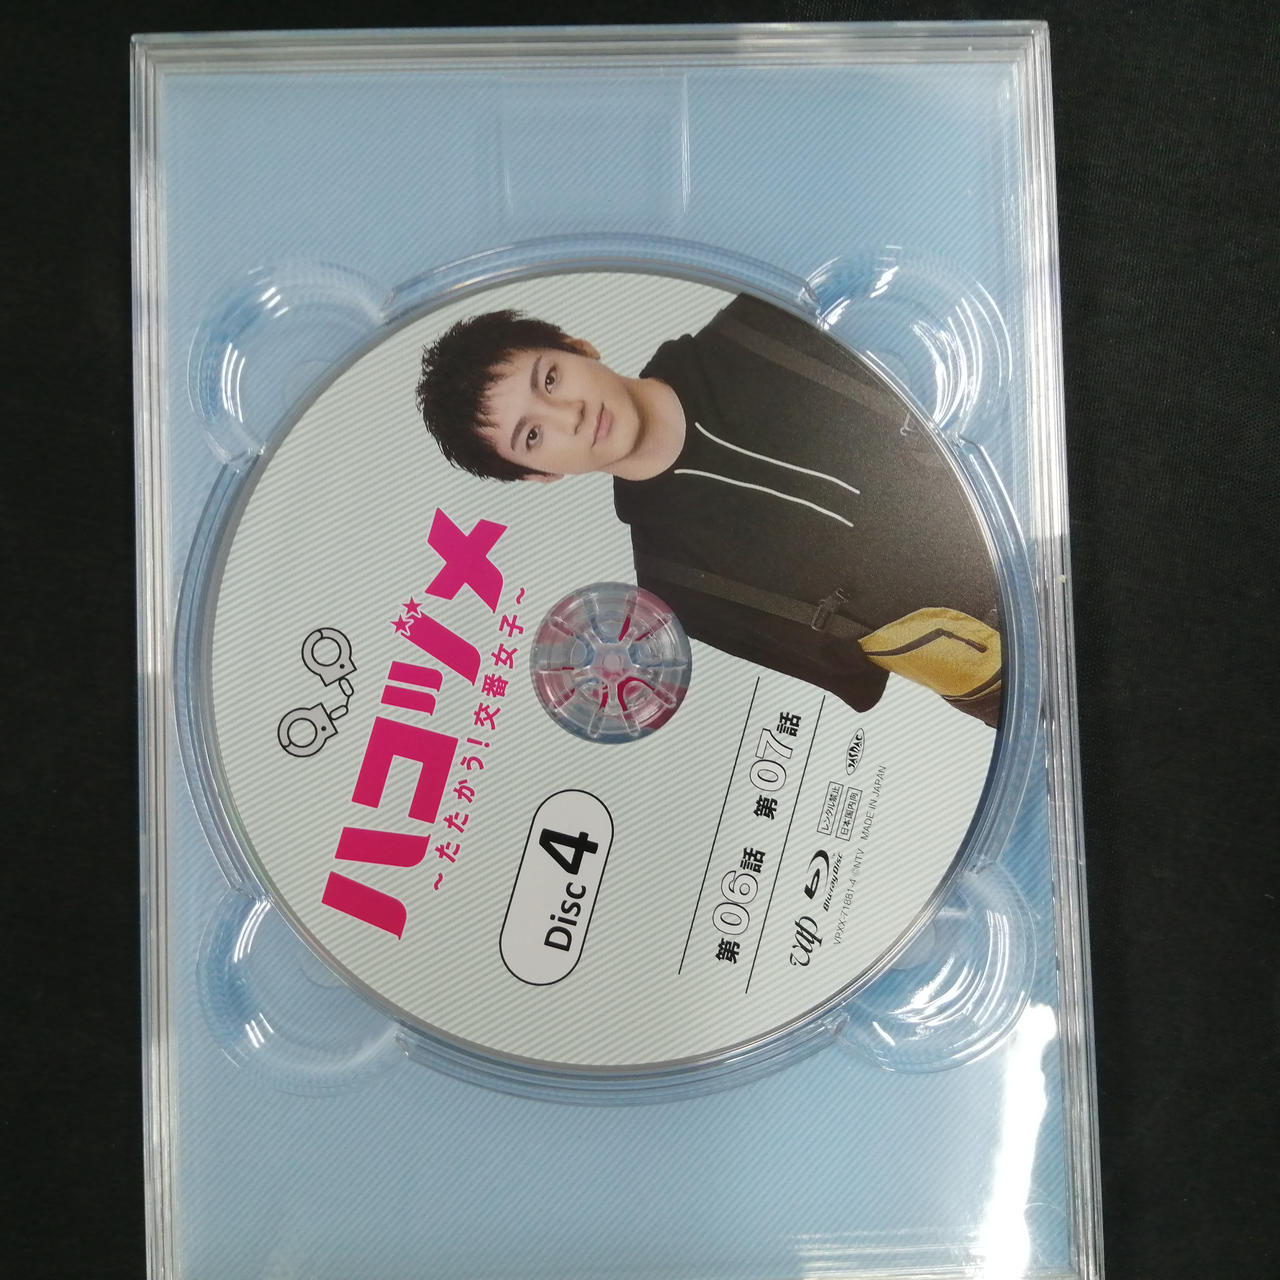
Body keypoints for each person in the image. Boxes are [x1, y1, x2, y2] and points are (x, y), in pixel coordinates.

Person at [415, 297, 1002, 726]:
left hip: (1029, 466)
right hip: (1016, 678)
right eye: (533, 435)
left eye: (550, 378)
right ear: (539, 475)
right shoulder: (677, 587)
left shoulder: (765, 319)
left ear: (579, 347)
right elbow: (856, 671)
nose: (568, 415)